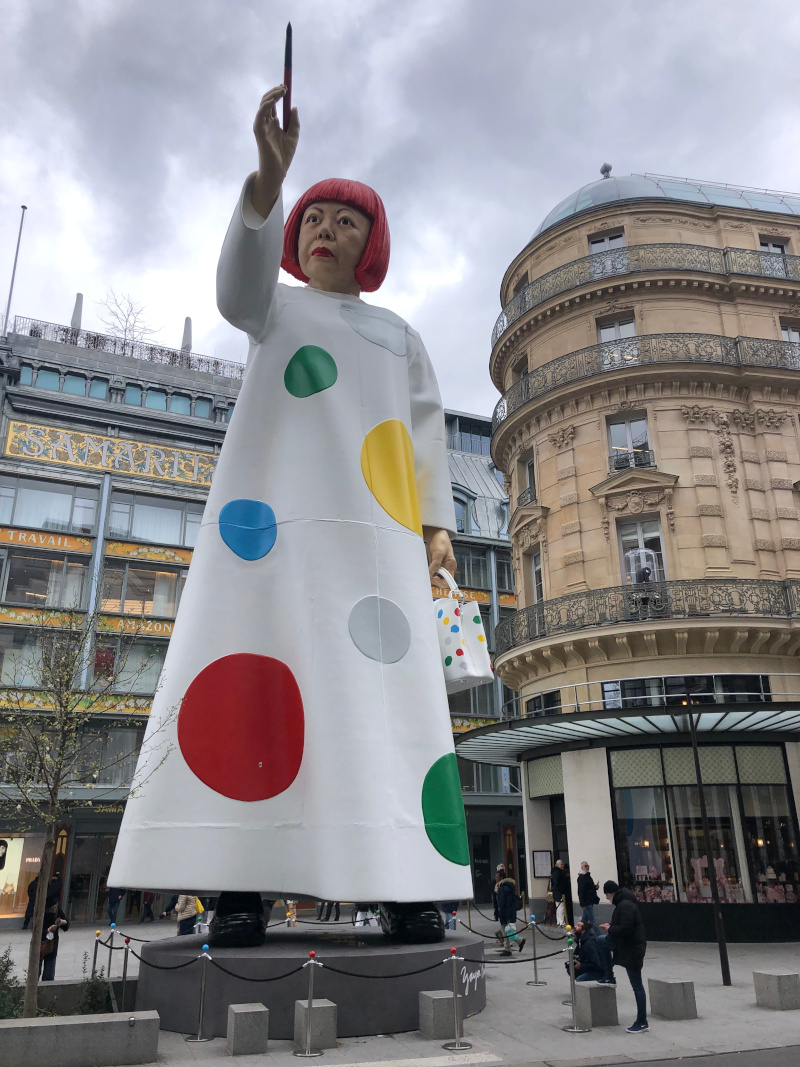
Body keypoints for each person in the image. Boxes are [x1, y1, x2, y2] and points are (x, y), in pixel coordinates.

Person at [108, 82, 472, 941]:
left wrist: (436, 524)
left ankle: (408, 887)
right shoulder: (274, 308)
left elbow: (423, 435)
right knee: (256, 686)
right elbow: (238, 286)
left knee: (379, 705)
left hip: (375, 540)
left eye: (347, 219)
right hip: (268, 533)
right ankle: (241, 888)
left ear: (372, 244)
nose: (323, 229)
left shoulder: (400, 336)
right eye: (313, 217)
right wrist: (267, 183)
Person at [598, 879, 649, 1033]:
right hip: (628, 945)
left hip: (631, 948)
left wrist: (611, 929)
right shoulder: (626, 903)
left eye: (607, 895)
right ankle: (608, 975)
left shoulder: (625, 905)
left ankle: (642, 1021)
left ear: (611, 893)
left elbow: (625, 929)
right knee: (600, 942)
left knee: (637, 985)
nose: (607, 899)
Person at [494, 871, 526, 955]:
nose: (495, 879)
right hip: (507, 912)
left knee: (506, 931)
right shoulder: (506, 886)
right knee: (506, 930)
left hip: (506, 912)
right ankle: (518, 942)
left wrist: (505, 915)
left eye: (497, 877)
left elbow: (504, 903)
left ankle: (510, 948)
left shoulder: (503, 888)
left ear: (501, 878)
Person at [39, 895, 69, 981]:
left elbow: (66, 927)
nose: (54, 910)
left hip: (52, 945)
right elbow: (36, 932)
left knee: (49, 974)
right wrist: (48, 930)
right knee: (36, 972)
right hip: (40, 944)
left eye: (55, 907)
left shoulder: (58, 911)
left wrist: (63, 922)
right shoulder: (41, 914)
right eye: (52, 908)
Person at [577, 860, 600, 925]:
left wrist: (595, 887)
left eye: (588, 866)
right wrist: (582, 903)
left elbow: (589, 888)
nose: (587, 867)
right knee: (593, 920)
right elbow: (580, 891)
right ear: (582, 867)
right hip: (587, 901)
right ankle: (598, 935)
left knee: (585, 920)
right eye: (585, 866)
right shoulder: (582, 877)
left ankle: (580, 931)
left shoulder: (588, 876)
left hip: (590, 900)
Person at [550, 859, 568, 927]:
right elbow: (557, 882)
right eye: (561, 864)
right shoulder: (558, 872)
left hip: (555, 891)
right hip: (559, 892)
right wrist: (562, 888)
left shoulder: (554, 872)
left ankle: (558, 921)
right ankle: (561, 922)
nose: (562, 866)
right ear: (558, 865)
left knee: (558, 907)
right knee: (561, 907)